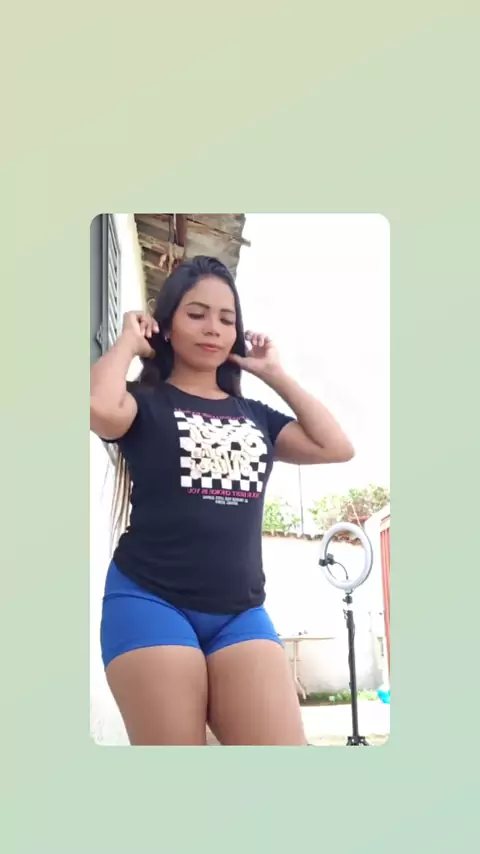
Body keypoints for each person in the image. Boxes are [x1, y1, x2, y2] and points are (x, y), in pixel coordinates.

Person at [90, 255, 354, 746]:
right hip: (150, 599)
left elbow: (335, 446)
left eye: (226, 319)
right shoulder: (143, 402)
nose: (213, 327)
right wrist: (128, 342)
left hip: (240, 612)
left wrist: (274, 373)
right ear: (166, 325)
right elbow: (99, 407)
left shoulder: (255, 415)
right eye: (196, 314)